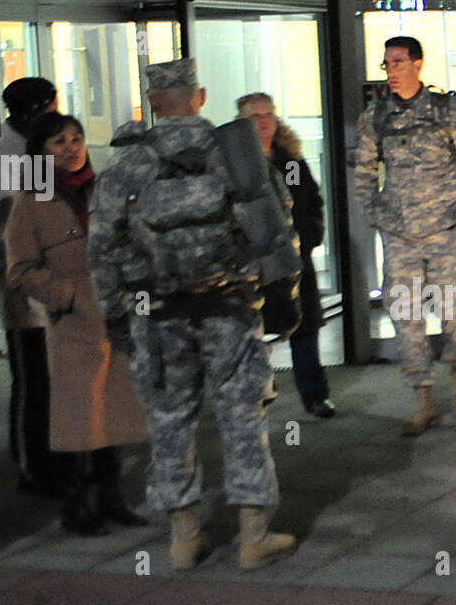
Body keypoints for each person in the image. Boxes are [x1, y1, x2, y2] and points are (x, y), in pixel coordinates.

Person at [89, 58, 300, 570]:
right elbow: (277, 225)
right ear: (200, 96)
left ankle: (184, 538)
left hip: (156, 314)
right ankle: (254, 536)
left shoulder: (128, 163)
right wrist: (281, 294)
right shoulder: (237, 153)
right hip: (228, 308)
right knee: (243, 415)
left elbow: (101, 245)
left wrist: (115, 316)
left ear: (155, 103)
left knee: (169, 419)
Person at [4, 112, 149, 535]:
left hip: (114, 313)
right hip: (71, 321)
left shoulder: (103, 189)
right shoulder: (30, 201)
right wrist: (65, 295)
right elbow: (20, 270)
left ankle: (111, 496)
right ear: (39, 152)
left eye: (75, 138)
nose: (70, 147)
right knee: (76, 415)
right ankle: (76, 504)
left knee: (115, 409)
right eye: (57, 142)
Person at [353, 36, 456, 435]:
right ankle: (423, 399)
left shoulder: (449, 111)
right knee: (406, 319)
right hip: (399, 234)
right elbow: (362, 170)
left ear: (417, 63)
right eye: (387, 64)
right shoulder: (377, 116)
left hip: (445, 231)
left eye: (398, 62)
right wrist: (373, 214)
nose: (391, 71)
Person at [0, 77, 62, 495]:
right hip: (21, 287)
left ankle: (55, 456)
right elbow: (5, 234)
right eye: (53, 106)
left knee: (54, 374)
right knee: (32, 379)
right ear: (37, 111)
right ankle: (33, 466)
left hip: (55, 282)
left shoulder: (42, 153)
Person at [237, 92, 335, 418]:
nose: (264, 122)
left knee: (304, 328)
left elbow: (310, 202)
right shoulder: (236, 165)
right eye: (255, 116)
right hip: (254, 265)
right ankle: (260, 396)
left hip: (294, 261)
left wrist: (306, 242)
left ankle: (314, 395)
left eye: (268, 115)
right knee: (256, 332)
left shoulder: (289, 162)